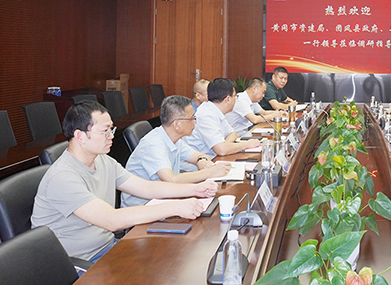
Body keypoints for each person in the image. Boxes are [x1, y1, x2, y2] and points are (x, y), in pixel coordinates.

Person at [31, 100, 217, 262]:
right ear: (80, 136)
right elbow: (111, 220)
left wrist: (195, 189)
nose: (111, 136)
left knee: (170, 258)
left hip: (107, 246)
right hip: (77, 262)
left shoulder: (103, 160)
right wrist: (176, 207)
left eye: (111, 129)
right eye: (105, 131)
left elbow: (146, 188)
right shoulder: (62, 177)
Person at [121, 95, 231, 207]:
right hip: (143, 207)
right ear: (177, 124)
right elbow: (171, 180)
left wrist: (201, 161)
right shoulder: (154, 144)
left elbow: (200, 156)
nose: (195, 122)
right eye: (192, 118)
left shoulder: (174, 139)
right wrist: (211, 172)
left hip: (164, 199)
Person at [183, 78, 260, 158]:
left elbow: (233, 134)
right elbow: (221, 150)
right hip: (200, 163)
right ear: (228, 99)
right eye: (235, 96)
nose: (236, 100)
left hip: (214, 158)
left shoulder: (216, 111)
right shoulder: (205, 115)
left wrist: (224, 145)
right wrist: (248, 144)